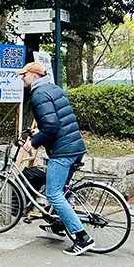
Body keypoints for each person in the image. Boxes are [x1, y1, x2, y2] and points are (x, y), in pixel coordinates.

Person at [18, 62, 94, 255]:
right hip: (74, 146)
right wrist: (39, 130)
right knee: (61, 191)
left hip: (63, 152)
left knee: (53, 194)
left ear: (34, 76)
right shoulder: (54, 89)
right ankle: (60, 224)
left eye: (24, 75)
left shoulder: (38, 94)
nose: (22, 78)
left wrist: (33, 143)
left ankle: (82, 237)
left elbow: (51, 126)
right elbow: (55, 121)